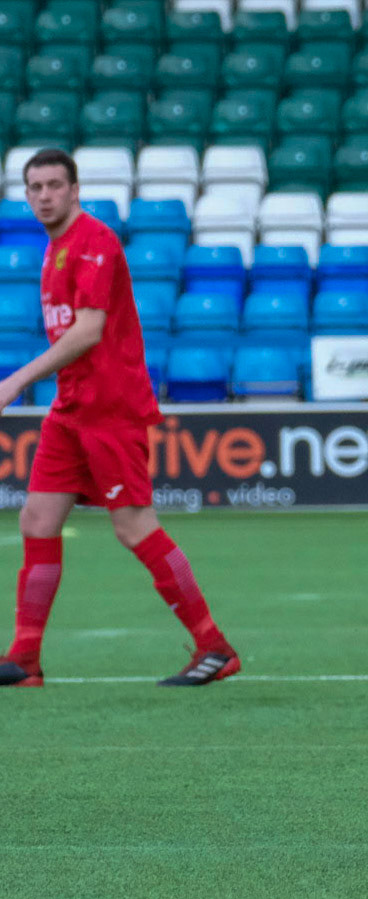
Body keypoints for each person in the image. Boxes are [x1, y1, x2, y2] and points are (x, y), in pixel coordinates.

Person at [0, 150, 238, 688]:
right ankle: (25, 659)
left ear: (74, 188)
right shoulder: (55, 248)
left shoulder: (94, 242)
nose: (43, 195)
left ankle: (214, 647)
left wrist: (15, 380)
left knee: (134, 528)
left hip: (109, 409)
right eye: (34, 186)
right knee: (36, 522)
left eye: (53, 185)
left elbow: (87, 331)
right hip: (71, 409)